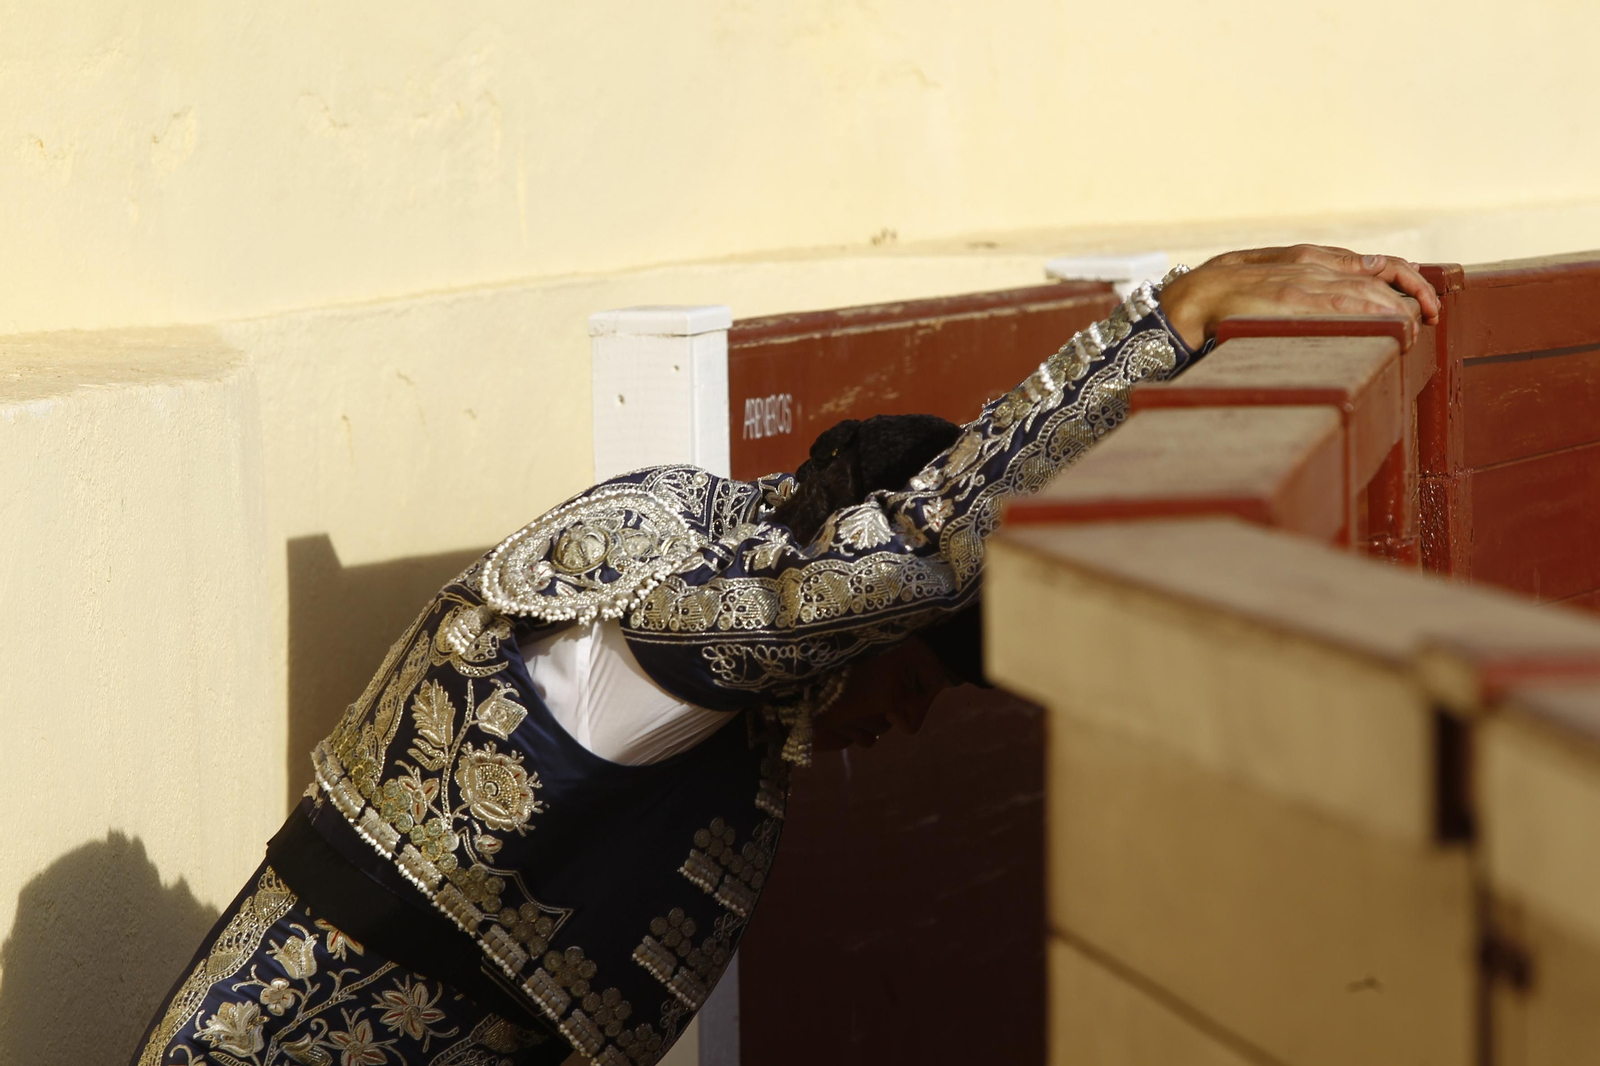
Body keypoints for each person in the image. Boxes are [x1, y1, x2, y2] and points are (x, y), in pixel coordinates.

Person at [130, 245, 1439, 1066]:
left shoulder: (705, 568)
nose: (902, 723)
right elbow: (899, 566)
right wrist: (1165, 326)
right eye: (915, 679)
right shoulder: (662, 622)